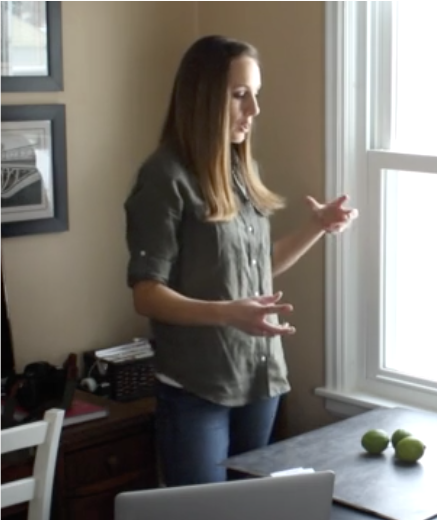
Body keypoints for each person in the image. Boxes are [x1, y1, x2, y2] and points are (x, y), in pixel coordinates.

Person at [123, 35, 357, 486]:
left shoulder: (239, 172)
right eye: (240, 95)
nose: (254, 110)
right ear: (203, 97)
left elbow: (255, 267)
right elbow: (147, 294)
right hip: (197, 386)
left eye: (256, 95)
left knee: (253, 509)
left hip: (259, 378)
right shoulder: (163, 178)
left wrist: (317, 226)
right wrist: (229, 313)